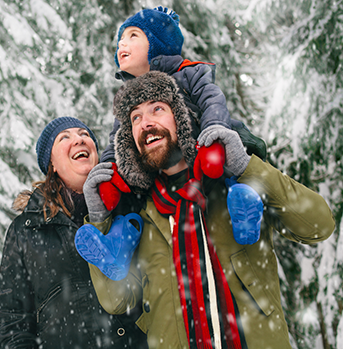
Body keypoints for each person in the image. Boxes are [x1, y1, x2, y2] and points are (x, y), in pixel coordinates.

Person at [82, 72, 335, 348]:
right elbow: (116, 301)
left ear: (181, 117)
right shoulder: (141, 217)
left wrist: (246, 167)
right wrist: (99, 221)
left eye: (157, 109)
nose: (146, 124)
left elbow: (318, 225)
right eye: (136, 118)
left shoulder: (235, 191)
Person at [101, 6, 265, 244]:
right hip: (165, 165)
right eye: (119, 41)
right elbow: (117, 138)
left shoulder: (188, 73)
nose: (121, 45)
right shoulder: (129, 97)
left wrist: (214, 130)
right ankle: (119, 243)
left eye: (132, 36)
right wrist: (109, 168)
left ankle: (243, 208)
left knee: (231, 158)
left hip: (206, 143)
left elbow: (212, 100)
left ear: (157, 43)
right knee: (132, 199)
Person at [0, 117, 148, 349]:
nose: (79, 140)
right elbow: (12, 322)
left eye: (85, 135)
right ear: (51, 164)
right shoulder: (26, 229)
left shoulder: (130, 208)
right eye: (65, 137)